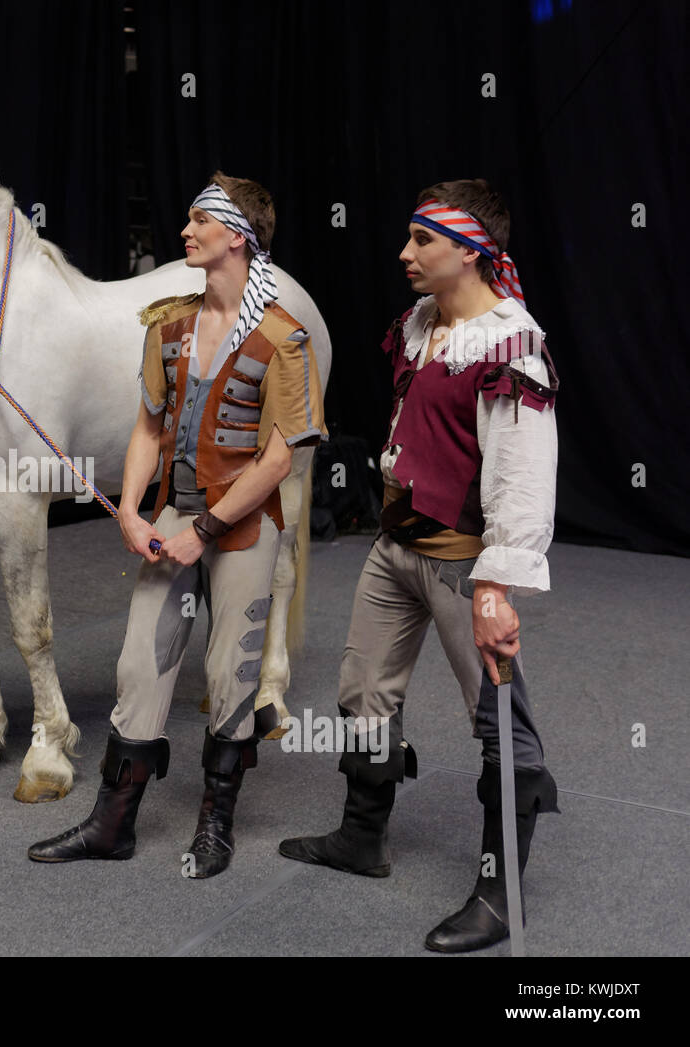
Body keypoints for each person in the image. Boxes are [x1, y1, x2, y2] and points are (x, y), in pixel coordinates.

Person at [278, 179, 561, 952]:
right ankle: (361, 840)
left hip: (462, 561)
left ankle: (500, 898)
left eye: (421, 241)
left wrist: (497, 585)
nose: (404, 253)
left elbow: (521, 475)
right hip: (395, 545)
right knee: (363, 690)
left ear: (469, 251)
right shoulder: (422, 323)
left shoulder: (510, 344)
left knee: (503, 724)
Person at [28, 173, 326, 877]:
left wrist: (208, 528)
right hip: (173, 514)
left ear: (238, 237)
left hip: (244, 525)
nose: (185, 232)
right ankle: (113, 821)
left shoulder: (284, 338)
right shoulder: (169, 325)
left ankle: (215, 821)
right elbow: (148, 426)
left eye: (200, 222)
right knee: (140, 660)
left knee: (232, 670)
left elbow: (284, 454)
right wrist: (131, 509)